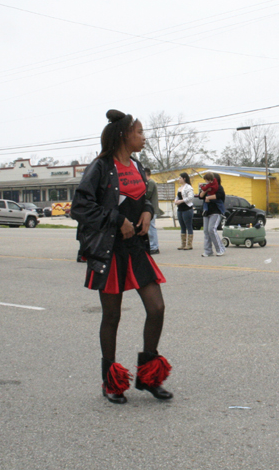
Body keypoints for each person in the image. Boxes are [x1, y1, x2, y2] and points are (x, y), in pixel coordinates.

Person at [71, 109, 172, 404]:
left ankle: (149, 377)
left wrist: (146, 211)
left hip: (136, 248)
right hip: (109, 250)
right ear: (124, 135)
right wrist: (117, 220)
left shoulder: (137, 165)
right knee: (112, 316)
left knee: (156, 308)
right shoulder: (101, 166)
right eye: (139, 132)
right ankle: (111, 382)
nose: (143, 137)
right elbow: (80, 206)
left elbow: (143, 198)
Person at [199, 172, 226, 257]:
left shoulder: (219, 188)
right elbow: (200, 196)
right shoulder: (207, 187)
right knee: (206, 231)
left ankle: (220, 249)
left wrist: (208, 197)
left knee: (212, 229)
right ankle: (208, 251)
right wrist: (205, 190)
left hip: (216, 212)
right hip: (206, 212)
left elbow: (218, 196)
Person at [174, 172, 195, 250]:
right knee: (182, 226)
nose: (179, 179)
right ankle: (183, 244)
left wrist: (182, 201)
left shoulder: (188, 187)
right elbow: (177, 196)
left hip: (187, 209)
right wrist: (176, 201)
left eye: (180, 178)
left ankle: (189, 244)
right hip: (180, 209)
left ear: (184, 178)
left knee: (188, 226)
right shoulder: (180, 188)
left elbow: (190, 197)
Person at [143, 167, 160, 255]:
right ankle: (151, 246)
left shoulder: (150, 182)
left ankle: (154, 247)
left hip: (152, 209)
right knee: (149, 228)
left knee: (151, 228)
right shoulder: (147, 182)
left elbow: (147, 195)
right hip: (149, 210)